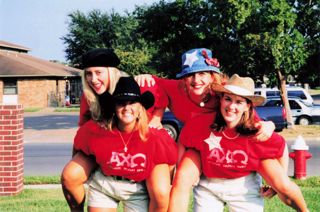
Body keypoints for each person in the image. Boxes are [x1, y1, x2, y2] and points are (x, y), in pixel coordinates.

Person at [135, 48, 277, 211]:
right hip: (196, 144)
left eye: (202, 74)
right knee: (180, 179)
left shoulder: (224, 93)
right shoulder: (178, 88)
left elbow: (248, 114)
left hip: (227, 153)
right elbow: (156, 85)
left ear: (212, 75)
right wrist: (146, 82)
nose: (196, 80)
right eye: (190, 75)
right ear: (184, 78)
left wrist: (269, 125)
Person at [178, 74, 308, 212]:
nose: (231, 106)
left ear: (248, 106)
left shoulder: (257, 130)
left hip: (244, 185)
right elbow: (183, 140)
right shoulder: (204, 124)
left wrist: (277, 183)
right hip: (209, 185)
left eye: (239, 102)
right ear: (221, 99)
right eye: (228, 99)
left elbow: (281, 147)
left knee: (286, 189)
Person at [61, 48, 170, 212]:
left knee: (160, 192)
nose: (93, 79)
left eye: (98, 73)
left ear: (111, 73)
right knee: (70, 176)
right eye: (88, 74)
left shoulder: (133, 85)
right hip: (108, 148)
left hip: (142, 148)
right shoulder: (89, 96)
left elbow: (159, 95)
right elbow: (83, 131)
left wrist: (157, 117)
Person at [73, 76, 178, 211]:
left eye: (132, 103)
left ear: (141, 108)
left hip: (136, 189)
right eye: (121, 103)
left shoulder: (155, 136)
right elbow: (78, 147)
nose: (127, 108)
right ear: (114, 108)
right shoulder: (96, 130)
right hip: (105, 184)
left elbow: (171, 163)